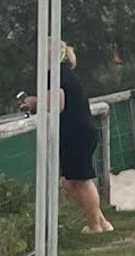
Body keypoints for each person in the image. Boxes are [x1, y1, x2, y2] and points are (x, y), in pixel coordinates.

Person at [20, 43, 114, 234]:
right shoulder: (65, 73)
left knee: (83, 180)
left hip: (76, 133)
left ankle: (96, 225)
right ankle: (100, 220)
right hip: (80, 131)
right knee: (70, 182)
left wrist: (34, 102)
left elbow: (58, 101)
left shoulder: (56, 75)